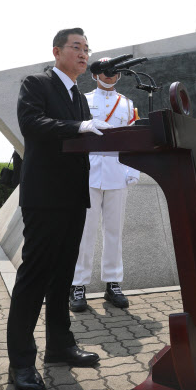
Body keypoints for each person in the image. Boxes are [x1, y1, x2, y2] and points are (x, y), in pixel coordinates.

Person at [7, 28, 108, 390]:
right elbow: (32, 125)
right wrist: (78, 126)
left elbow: (82, 137)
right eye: (76, 48)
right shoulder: (36, 83)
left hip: (72, 197)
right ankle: (21, 363)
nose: (84, 54)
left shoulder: (78, 96)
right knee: (34, 277)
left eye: (87, 48)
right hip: (44, 197)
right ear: (57, 51)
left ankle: (59, 347)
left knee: (63, 277)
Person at [69, 59, 139, 313]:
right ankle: (78, 285)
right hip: (86, 173)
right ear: (96, 74)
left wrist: (132, 171)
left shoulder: (128, 104)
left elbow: (133, 139)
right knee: (85, 232)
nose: (111, 76)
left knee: (114, 231)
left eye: (115, 73)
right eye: (105, 73)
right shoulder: (83, 100)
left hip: (116, 172)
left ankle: (113, 282)